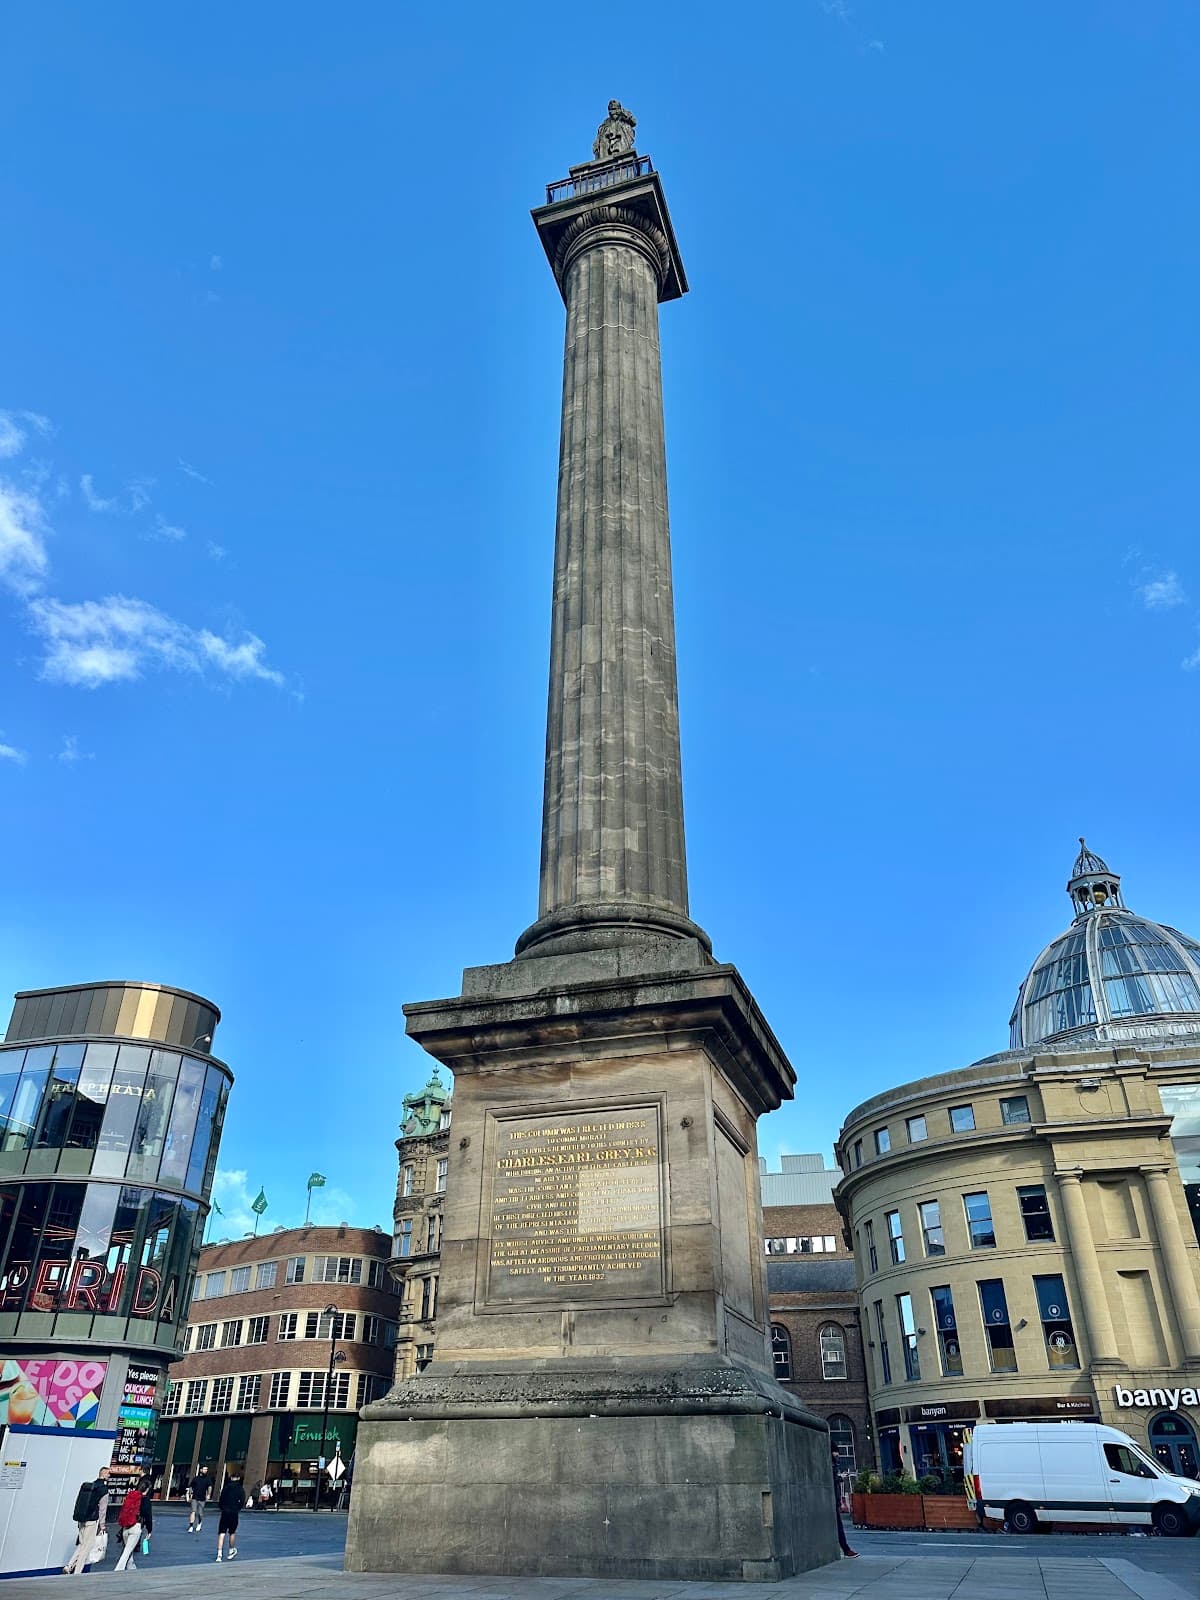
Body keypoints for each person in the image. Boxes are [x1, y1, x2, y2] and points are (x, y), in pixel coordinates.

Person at [63, 1466, 110, 1575]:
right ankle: (77, 1571)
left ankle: (69, 1566)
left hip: (81, 1519)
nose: (109, 1476)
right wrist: (102, 1525)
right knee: (87, 1546)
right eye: (108, 1474)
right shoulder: (103, 1490)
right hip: (91, 1521)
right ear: (104, 1474)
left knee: (82, 1543)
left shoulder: (89, 1486)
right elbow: (102, 1510)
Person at [113, 1477, 154, 1571]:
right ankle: (118, 1570)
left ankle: (131, 1568)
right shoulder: (145, 1500)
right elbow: (148, 1516)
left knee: (128, 1549)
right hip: (136, 1526)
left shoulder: (131, 1496)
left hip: (125, 1526)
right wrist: (149, 1530)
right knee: (127, 1551)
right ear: (147, 1489)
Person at [830, 1447, 857, 1558]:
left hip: (835, 1499)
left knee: (838, 1526)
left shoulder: (834, 1464)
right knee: (838, 1526)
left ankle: (845, 1549)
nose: (837, 1455)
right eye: (836, 1452)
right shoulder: (832, 1465)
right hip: (833, 1499)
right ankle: (845, 1549)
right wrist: (839, 1478)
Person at [215, 1471, 246, 1562]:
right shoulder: (240, 1489)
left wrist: (222, 1508)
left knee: (221, 1533)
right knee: (232, 1532)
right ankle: (231, 1551)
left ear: (231, 1478)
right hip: (234, 1512)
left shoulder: (226, 1488)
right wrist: (237, 1508)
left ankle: (219, 1554)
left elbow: (221, 1500)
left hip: (225, 1512)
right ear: (238, 1478)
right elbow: (242, 1501)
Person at [187, 1466, 211, 1533]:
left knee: (200, 1513)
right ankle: (191, 1526)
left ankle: (199, 1523)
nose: (206, 1470)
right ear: (201, 1470)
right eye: (204, 1469)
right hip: (195, 1497)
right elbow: (191, 1487)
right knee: (193, 1511)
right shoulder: (196, 1478)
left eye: (206, 1469)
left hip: (202, 1498)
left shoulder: (208, 1479)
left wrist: (208, 1494)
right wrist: (190, 1495)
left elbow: (209, 1487)